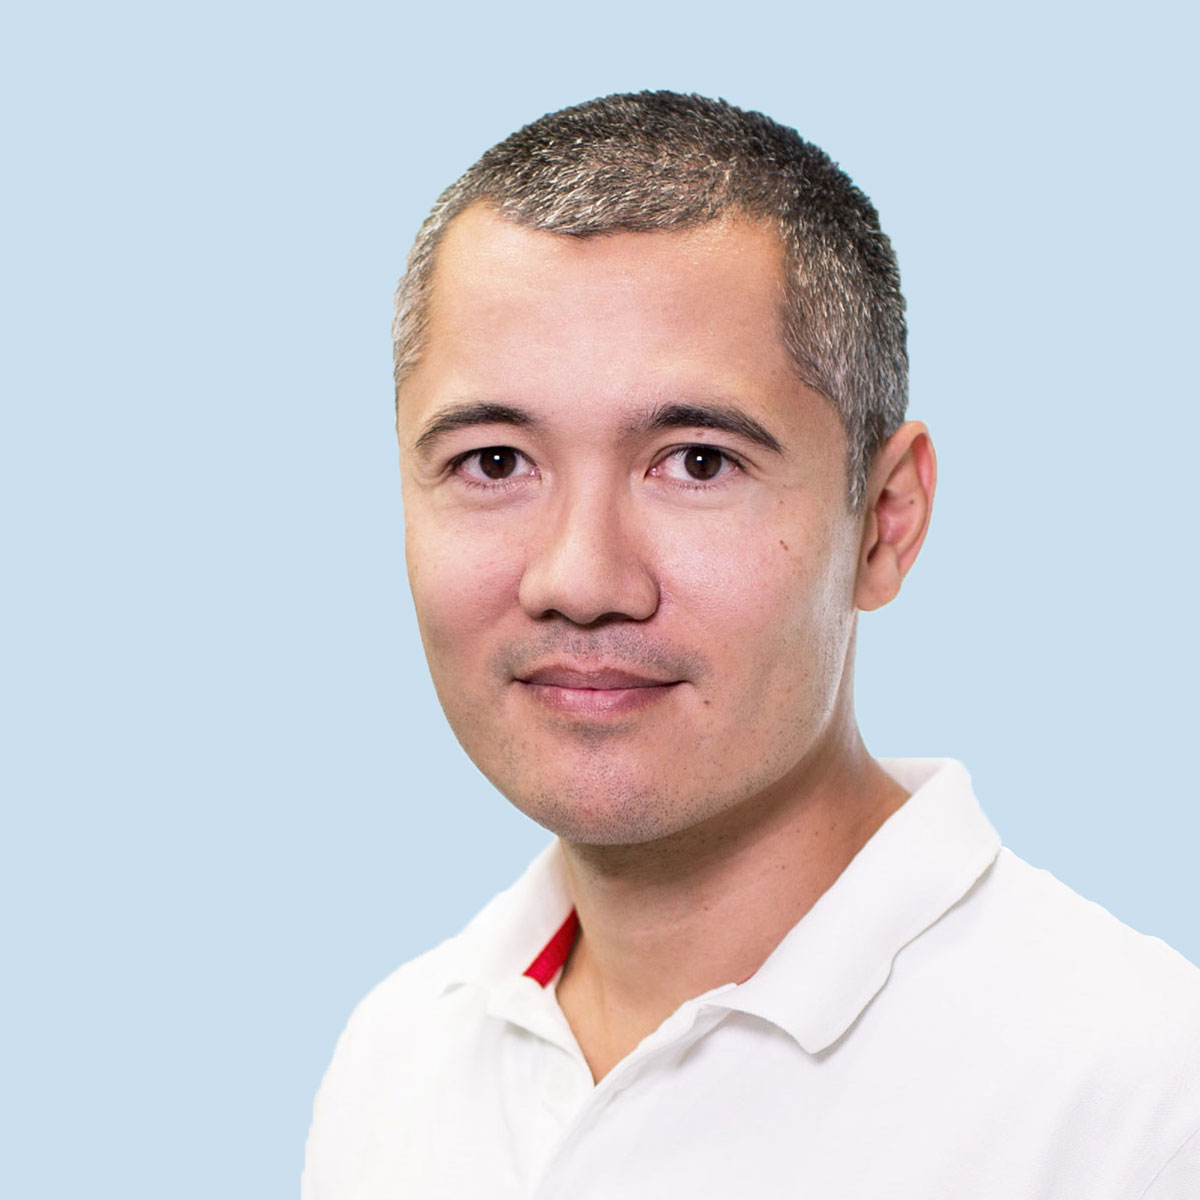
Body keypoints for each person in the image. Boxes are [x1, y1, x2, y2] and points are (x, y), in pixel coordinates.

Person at [302, 92, 1200, 1198]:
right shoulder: (395, 1063)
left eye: (698, 461)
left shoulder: (1145, 1110)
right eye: (493, 462)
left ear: (885, 522)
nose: (580, 581)